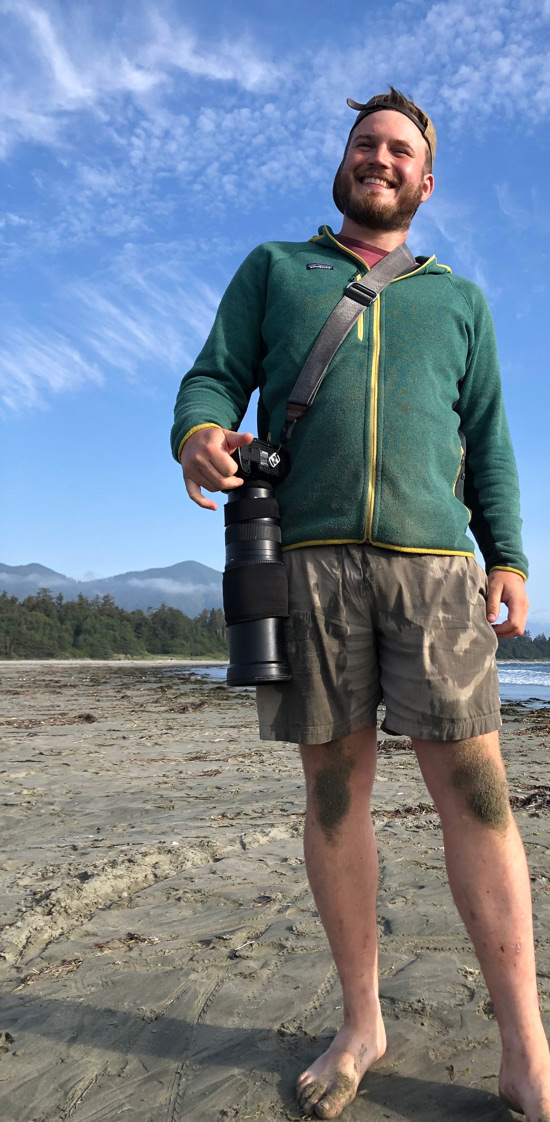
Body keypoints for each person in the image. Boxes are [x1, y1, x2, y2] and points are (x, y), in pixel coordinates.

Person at [170, 89, 550, 1121]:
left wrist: (509, 556)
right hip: (309, 565)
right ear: (343, 164)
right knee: (334, 793)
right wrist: (199, 431)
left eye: (399, 151)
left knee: (478, 796)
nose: (380, 159)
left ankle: (525, 1046)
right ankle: (361, 1023)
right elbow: (213, 379)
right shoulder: (274, 269)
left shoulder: (460, 300)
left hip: (437, 571)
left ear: (426, 182)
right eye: (365, 144)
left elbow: (490, 436)